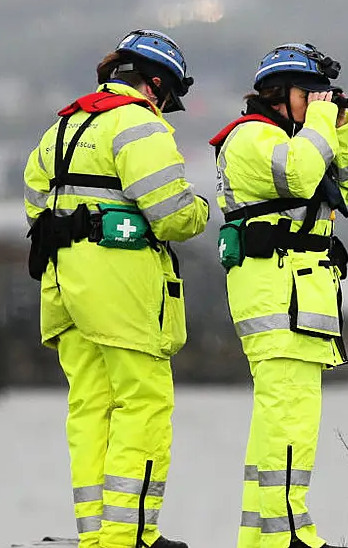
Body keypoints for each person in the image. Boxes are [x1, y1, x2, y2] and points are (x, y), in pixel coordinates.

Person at [23, 29, 210, 548]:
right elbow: (172, 214)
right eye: (168, 98)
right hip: (121, 288)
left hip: (64, 289)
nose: (166, 107)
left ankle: (98, 535)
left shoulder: (61, 126)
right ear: (156, 85)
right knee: (144, 403)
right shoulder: (138, 124)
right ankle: (131, 535)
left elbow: (36, 204)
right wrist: (201, 211)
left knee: (89, 406)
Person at [208, 42, 348, 548]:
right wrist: (319, 122)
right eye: (310, 93)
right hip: (277, 298)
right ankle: (289, 535)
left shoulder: (301, 140)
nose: (318, 102)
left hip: (299, 298)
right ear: (282, 93)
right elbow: (299, 175)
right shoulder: (252, 137)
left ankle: (261, 538)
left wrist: (340, 125)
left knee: (279, 422)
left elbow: (344, 187)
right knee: (290, 420)